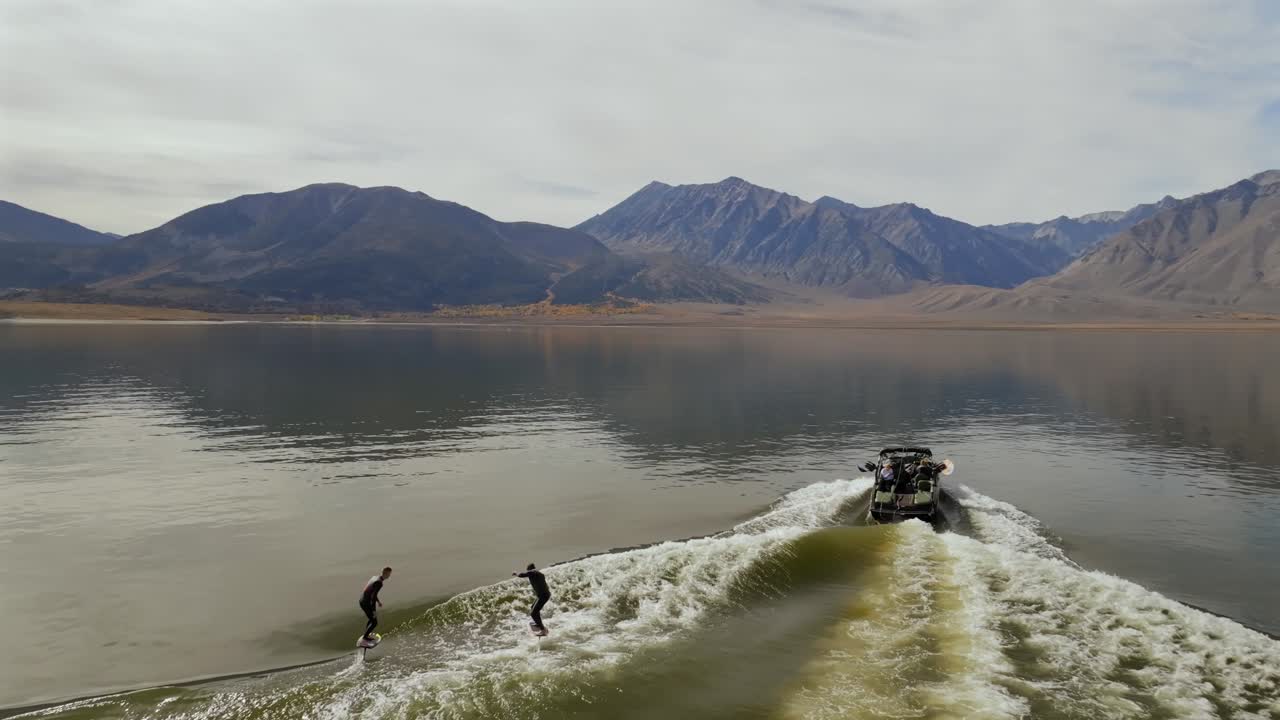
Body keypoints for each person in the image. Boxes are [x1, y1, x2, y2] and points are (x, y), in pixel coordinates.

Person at [513, 563, 551, 631]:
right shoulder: (539, 574)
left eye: (528, 570)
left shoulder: (532, 572)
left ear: (529, 569)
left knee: (533, 613)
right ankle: (539, 623)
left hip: (543, 596)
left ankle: (543, 629)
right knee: (533, 608)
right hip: (543, 595)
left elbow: (522, 575)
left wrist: (516, 573)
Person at [359, 566, 392, 642]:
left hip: (362, 600)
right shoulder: (379, 583)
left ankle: (367, 634)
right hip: (366, 603)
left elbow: (371, 592)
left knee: (371, 619)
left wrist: (378, 601)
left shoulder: (375, 577)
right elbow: (372, 597)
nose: (389, 576)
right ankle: (365, 637)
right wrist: (374, 610)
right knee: (374, 622)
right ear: (386, 573)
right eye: (389, 574)